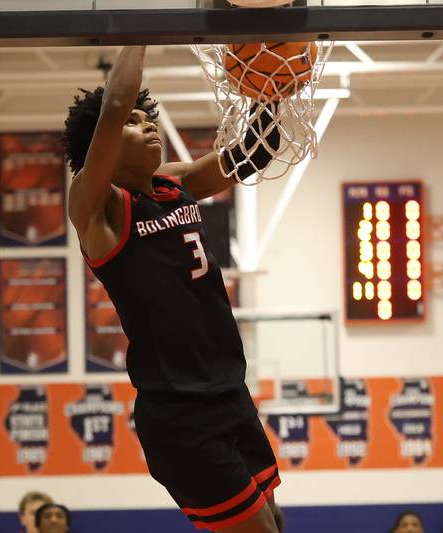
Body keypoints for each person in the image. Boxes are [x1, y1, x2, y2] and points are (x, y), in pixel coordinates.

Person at [62, 45, 283, 532]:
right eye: (134, 122)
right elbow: (116, 102)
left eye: (149, 118)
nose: (147, 126)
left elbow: (251, 153)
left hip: (229, 391)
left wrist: (274, 88)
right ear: (98, 146)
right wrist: (142, 25)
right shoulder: (97, 207)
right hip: (179, 413)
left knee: (274, 523)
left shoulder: (171, 185)